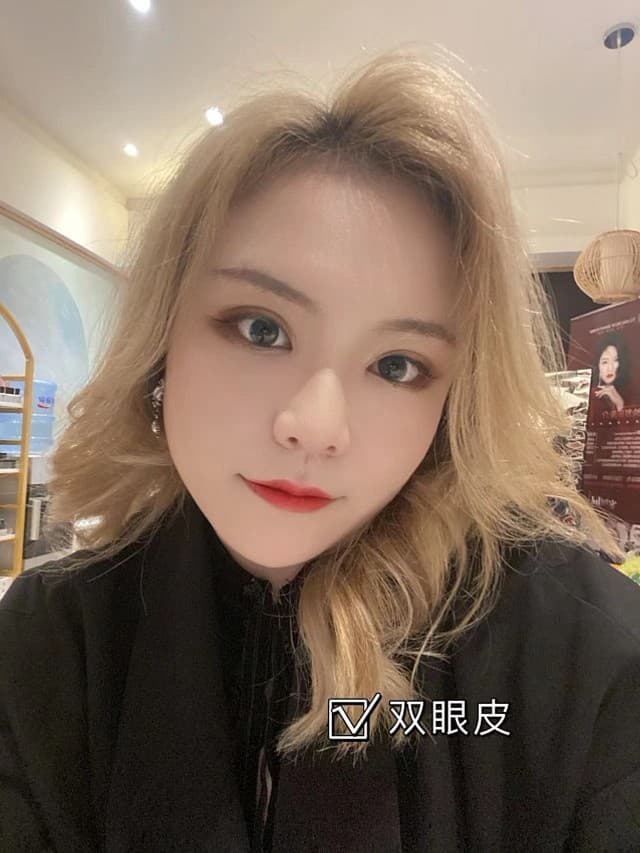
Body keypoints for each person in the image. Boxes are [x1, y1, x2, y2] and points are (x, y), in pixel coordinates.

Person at [1, 49, 639, 853]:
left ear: (454, 400)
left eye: (397, 364)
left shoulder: (580, 659)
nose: (315, 425)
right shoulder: (53, 644)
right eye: (262, 328)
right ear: (162, 338)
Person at [589, 332, 631, 422]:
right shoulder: (592, 397)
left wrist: (620, 404)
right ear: (597, 365)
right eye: (605, 362)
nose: (610, 368)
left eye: (615, 360)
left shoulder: (629, 393)